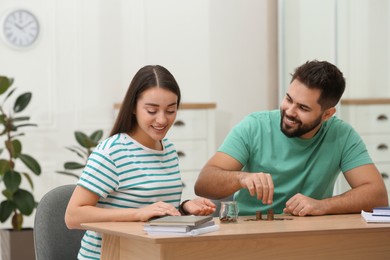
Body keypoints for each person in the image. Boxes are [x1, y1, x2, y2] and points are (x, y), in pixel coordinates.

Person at [194, 60, 388, 217]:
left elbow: (377, 196)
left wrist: (321, 206)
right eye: (288, 99)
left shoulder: (342, 135)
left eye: (303, 108)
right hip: (251, 229)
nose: (289, 111)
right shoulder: (254, 126)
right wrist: (242, 178)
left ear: (327, 114)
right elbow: (203, 183)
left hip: (307, 233)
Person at [65, 65, 216, 259]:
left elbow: (154, 213)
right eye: (152, 110)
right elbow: (73, 216)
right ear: (134, 107)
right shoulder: (112, 152)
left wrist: (184, 207)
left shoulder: (167, 149)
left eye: (171, 110)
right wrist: (137, 213)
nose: (162, 119)